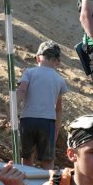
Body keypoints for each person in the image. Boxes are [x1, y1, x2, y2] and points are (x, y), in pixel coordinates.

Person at [18, 41, 69, 170]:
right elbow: (58, 108)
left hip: (28, 119)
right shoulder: (59, 79)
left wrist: (11, 107)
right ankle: (48, 181)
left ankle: (27, 180)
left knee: (27, 157)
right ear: (58, 61)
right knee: (48, 160)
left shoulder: (29, 72)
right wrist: (56, 129)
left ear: (38, 58)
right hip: (47, 122)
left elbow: (22, 91)